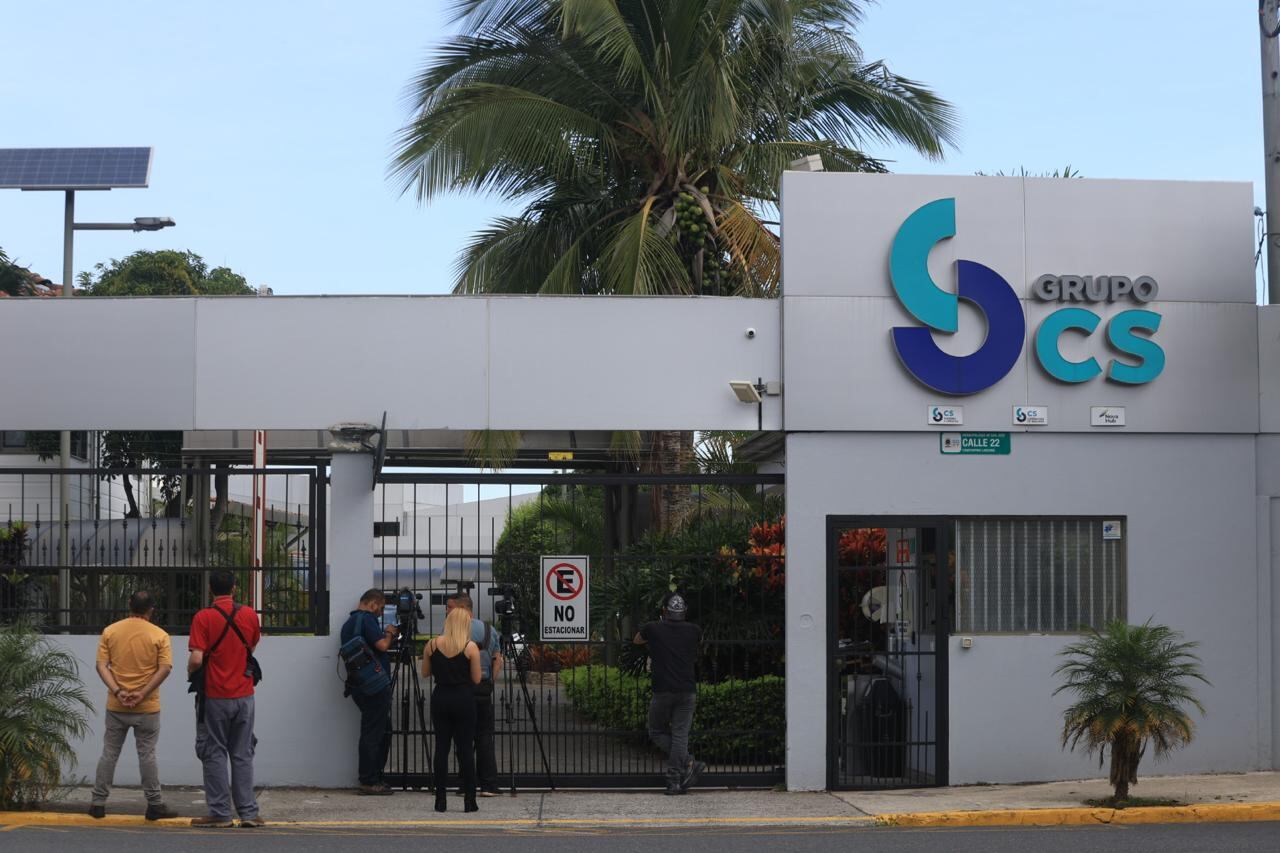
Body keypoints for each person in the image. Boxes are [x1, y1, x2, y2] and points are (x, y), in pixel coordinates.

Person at [89, 590, 178, 820]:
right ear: (151, 609)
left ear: (129, 604)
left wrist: (118, 691)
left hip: (116, 705)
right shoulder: (160, 635)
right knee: (147, 755)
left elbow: (101, 666)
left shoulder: (111, 631)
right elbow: (165, 668)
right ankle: (154, 805)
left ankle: (98, 803)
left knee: (109, 753)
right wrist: (142, 693)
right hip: (147, 707)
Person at [187, 570, 264, 828]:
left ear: (210, 589)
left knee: (214, 751)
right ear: (234, 588)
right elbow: (251, 646)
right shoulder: (249, 614)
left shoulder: (203, 617)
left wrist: (190, 672)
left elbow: (197, 658)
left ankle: (220, 813)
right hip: (245, 695)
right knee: (242, 753)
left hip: (215, 696)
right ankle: (249, 813)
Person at [634, 592, 706, 795]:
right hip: (687, 690)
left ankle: (688, 763)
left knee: (656, 731)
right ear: (684, 611)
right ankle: (675, 779)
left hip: (663, 690)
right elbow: (699, 642)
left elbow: (637, 640)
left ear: (664, 610)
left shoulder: (653, 628)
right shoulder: (694, 630)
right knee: (680, 735)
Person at [420, 606, 482, 812]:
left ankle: (440, 800)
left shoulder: (432, 645)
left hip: (441, 697)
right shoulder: (470, 647)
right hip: (463, 699)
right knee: (465, 749)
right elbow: (476, 679)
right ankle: (470, 800)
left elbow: (425, 673)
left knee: (441, 748)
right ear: (466, 624)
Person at [340, 588, 399, 795]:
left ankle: (373, 776)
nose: (380, 613)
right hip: (375, 687)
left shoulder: (349, 624)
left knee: (378, 729)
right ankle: (369, 780)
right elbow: (382, 645)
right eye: (380, 608)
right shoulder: (367, 619)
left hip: (359, 685)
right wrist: (390, 632)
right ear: (373, 603)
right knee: (374, 733)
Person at [446, 594, 504, 797]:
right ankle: (489, 784)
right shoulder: (489, 629)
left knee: (463, 738)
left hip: (460, 689)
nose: (448, 611)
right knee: (484, 736)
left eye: (451, 607)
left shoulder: (453, 630)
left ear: (463, 608)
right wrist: (490, 681)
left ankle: (465, 784)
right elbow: (497, 660)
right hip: (483, 690)